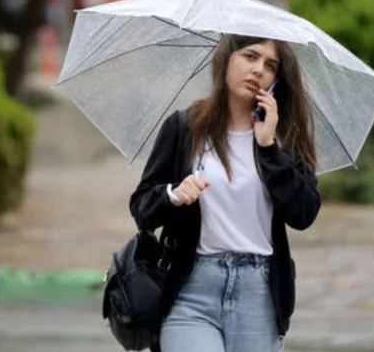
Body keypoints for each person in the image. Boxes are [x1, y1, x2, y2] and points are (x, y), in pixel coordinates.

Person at [129, 34, 322, 352]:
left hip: (258, 292)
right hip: (191, 289)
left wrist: (269, 147)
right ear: (226, 59)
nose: (259, 69)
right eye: (250, 56)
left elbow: (303, 214)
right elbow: (141, 208)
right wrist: (173, 195)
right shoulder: (185, 127)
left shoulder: (284, 135)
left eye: (270, 65)